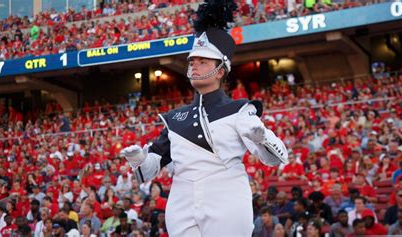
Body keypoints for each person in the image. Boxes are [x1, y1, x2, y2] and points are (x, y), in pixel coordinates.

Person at [121, 1, 288, 236]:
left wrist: (262, 139)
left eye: (203, 62)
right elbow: (149, 170)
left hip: (226, 197)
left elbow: (275, 158)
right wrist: (139, 159)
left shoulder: (239, 109)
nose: (195, 67)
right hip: (182, 200)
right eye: (192, 62)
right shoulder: (175, 118)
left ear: (220, 71)